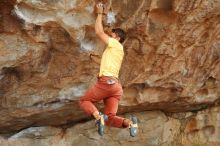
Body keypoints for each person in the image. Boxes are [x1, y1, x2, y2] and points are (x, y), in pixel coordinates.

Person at [79, 3, 138, 137]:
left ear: (117, 38)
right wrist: (92, 58)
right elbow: (103, 62)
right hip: (116, 87)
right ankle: (130, 123)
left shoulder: (115, 44)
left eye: (111, 35)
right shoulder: (116, 51)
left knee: (84, 101)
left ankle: (98, 116)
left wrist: (100, 13)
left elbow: (99, 32)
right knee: (110, 118)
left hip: (107, 83)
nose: (109, 36)